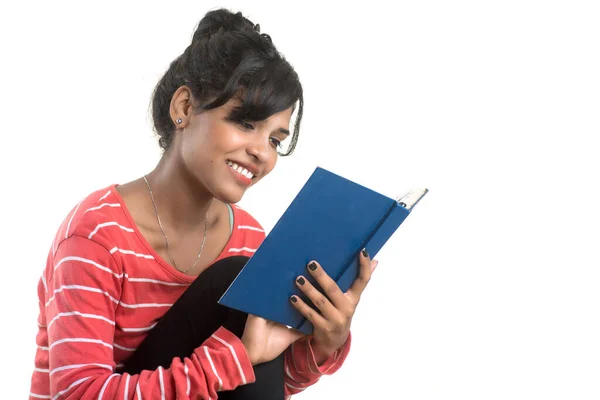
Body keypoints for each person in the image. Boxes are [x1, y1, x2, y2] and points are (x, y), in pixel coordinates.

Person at [29, 8, 377, 400]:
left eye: (276, 140)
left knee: (241, 277)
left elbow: (255, 381)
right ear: (183, 109)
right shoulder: (98, 234)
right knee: (234, 277)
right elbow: (78, 394)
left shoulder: (246, 235)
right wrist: (238, 357)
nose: (262, 153)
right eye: (245, 123)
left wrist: (325, 342)